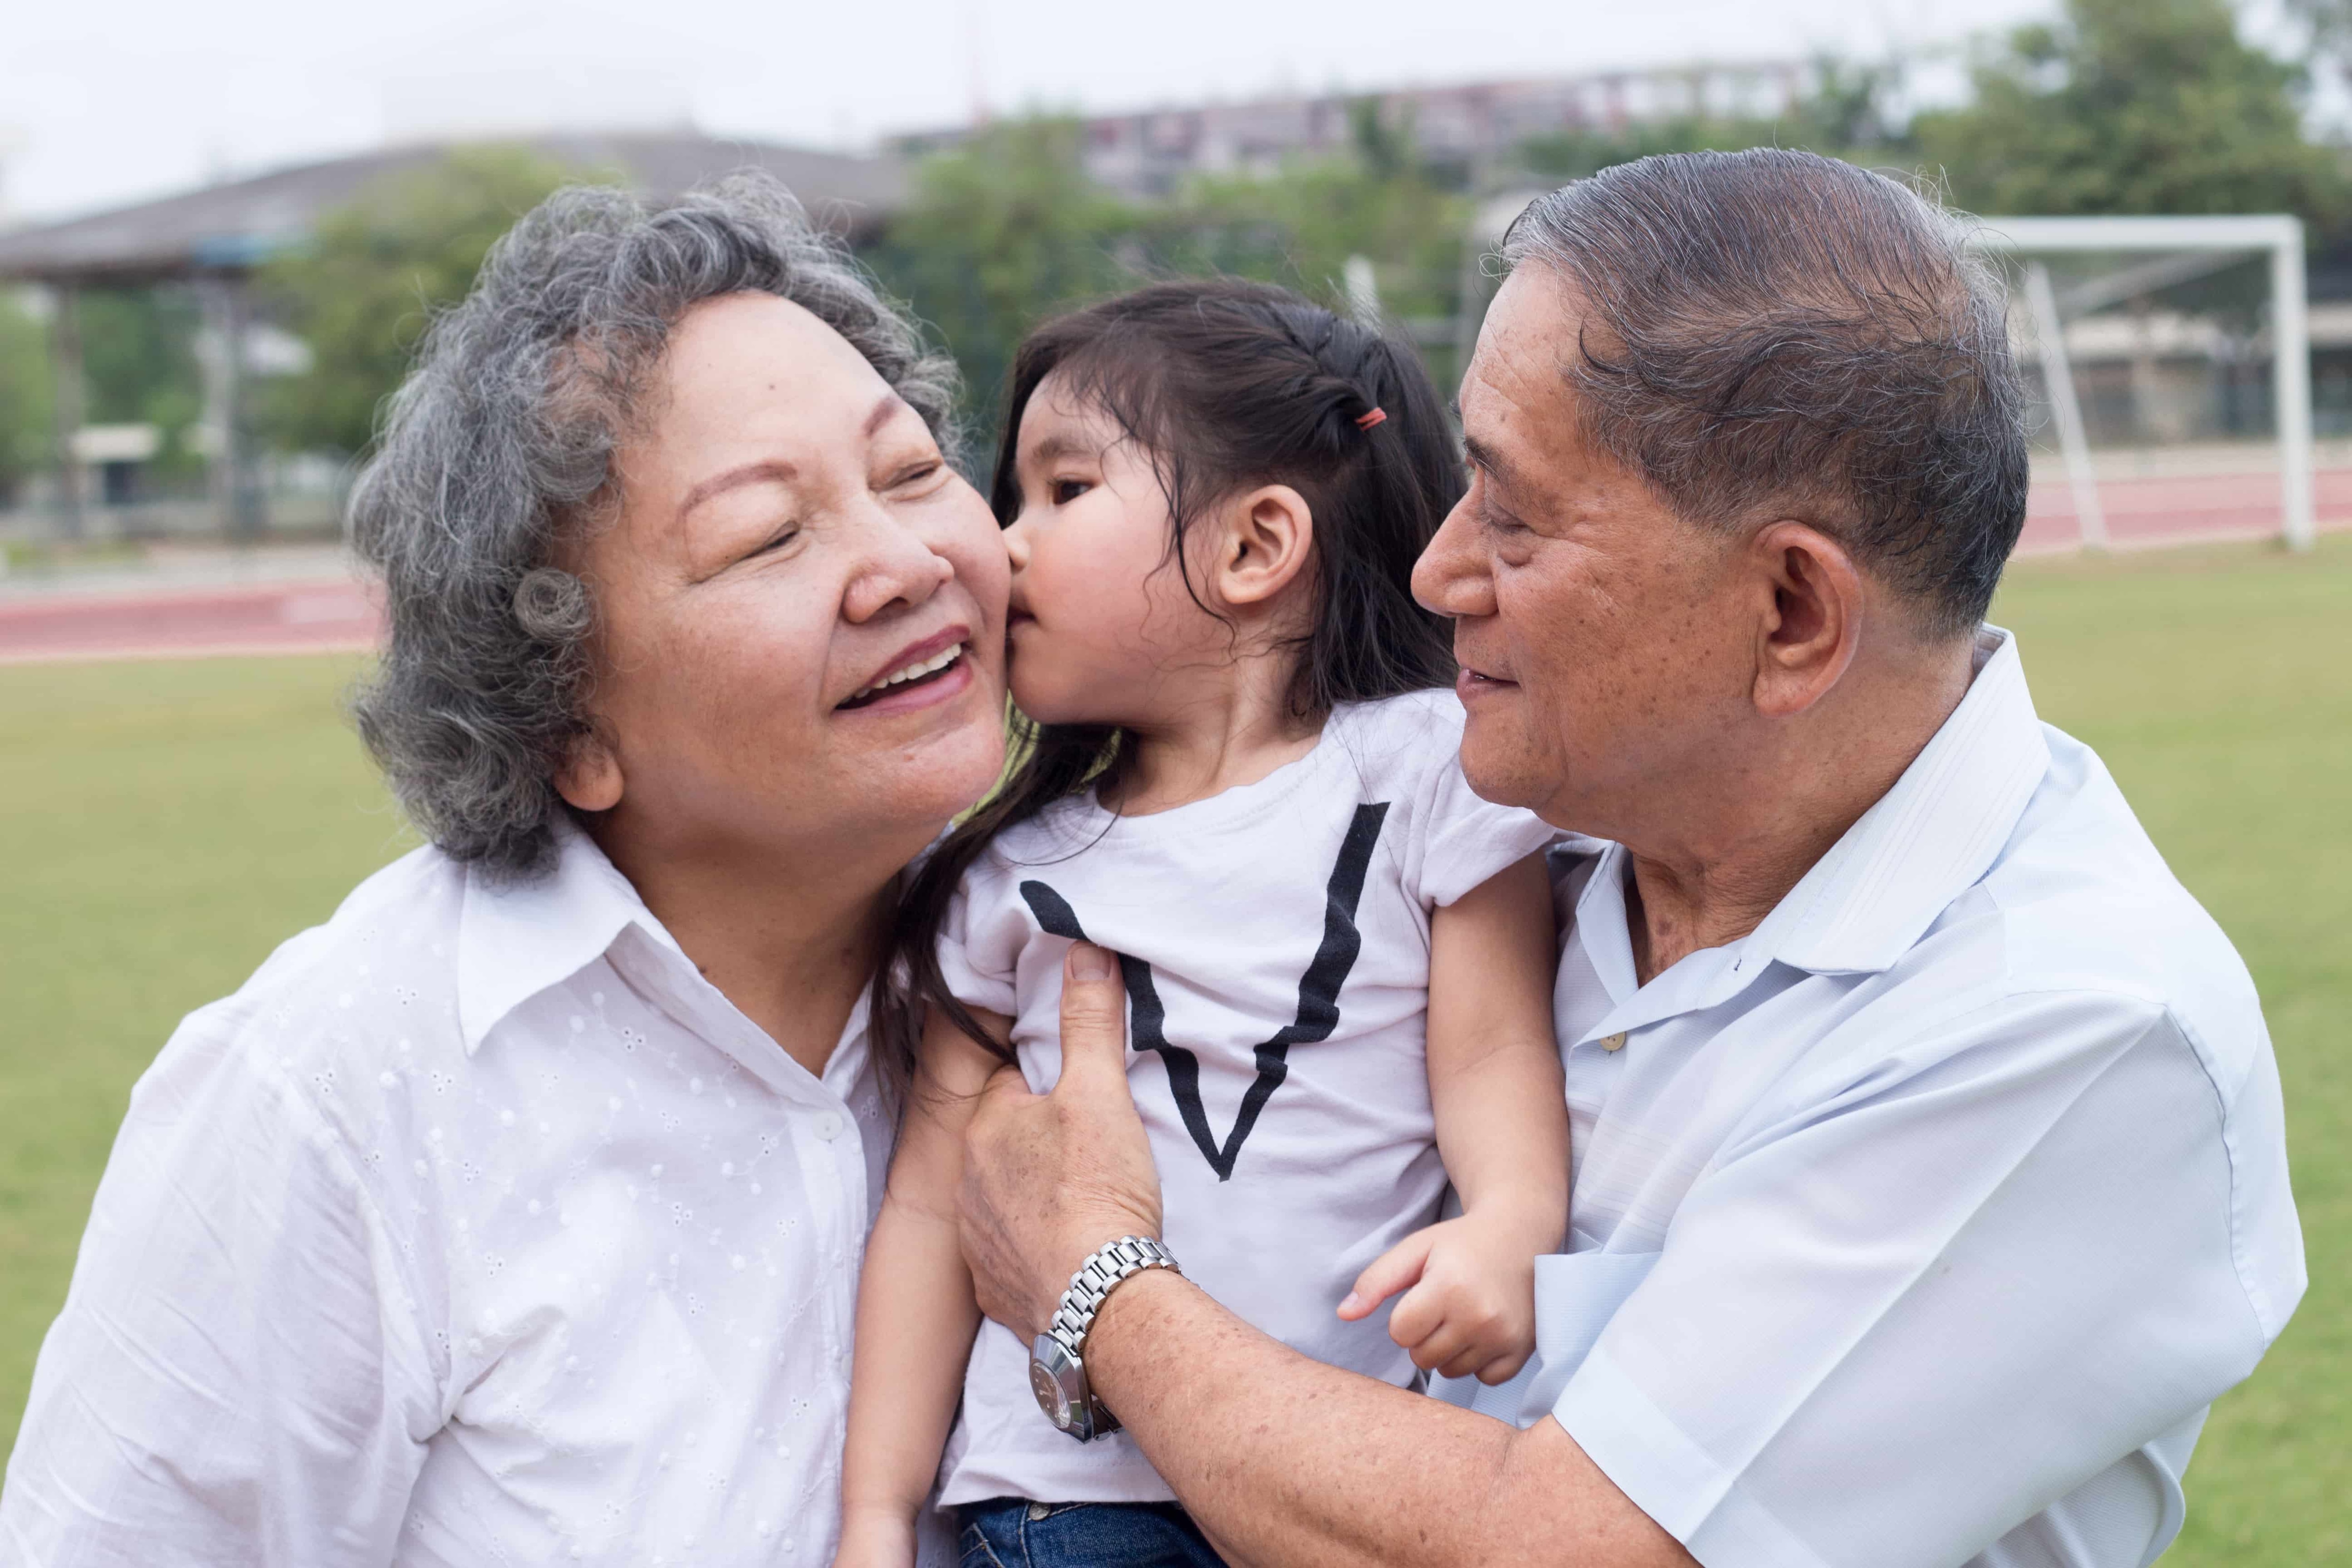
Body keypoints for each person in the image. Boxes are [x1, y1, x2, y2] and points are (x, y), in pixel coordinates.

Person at [949, 149, 2306, 1568]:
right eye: (1463, 475)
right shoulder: (1522, 840)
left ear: (1790, 613)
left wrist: (1094, 1279)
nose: (1434, 570)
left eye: (1514, 512)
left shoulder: (2068, 1028)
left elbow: (1560, 1549)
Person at [0, 175, 1011, 1566]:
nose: (905, 561)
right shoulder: (336, 1096)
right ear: (566, 724)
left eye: (910, 471)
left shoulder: (1091, 950)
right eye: (766, 535)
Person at [836, 281, 1568, 1568]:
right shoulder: (1004, 875)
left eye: (1062, 492)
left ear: (1254, 545)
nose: (1004, 545)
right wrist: (878, 1515)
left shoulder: (1426, 775)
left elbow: (1496, 1051)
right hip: (1067, 1508)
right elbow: (930, 1210)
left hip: (1343, 1480)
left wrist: (1509, 1225)